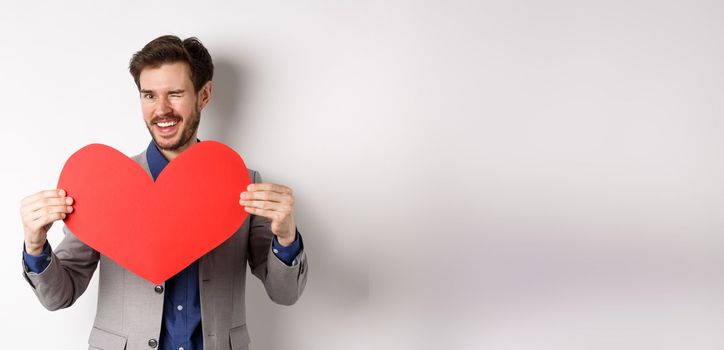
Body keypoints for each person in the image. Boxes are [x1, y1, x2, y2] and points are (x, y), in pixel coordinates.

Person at [19, 35, 308, 350]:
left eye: (175, 93)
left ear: (204, 94)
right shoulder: (104, 185)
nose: (161, 110)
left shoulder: (245, 184)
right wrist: (35, 247)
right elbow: (60, 294)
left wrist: (286, 238)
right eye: (149, 95)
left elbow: (285, 293)